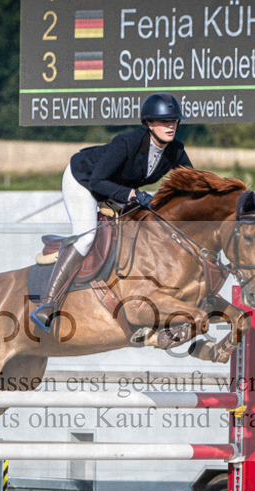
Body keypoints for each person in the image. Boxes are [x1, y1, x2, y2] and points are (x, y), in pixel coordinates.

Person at [30, 92, 192, 332]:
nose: (171, 126)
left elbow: (194, 183)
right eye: (164, 121)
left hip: (113, 188)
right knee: (86, 238)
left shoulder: (175, 151)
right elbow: (97, 182)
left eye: (174, 121)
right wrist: (133, 195)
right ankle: (47, 304)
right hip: (83, 180)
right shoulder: (127, 143)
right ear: (149, 123)